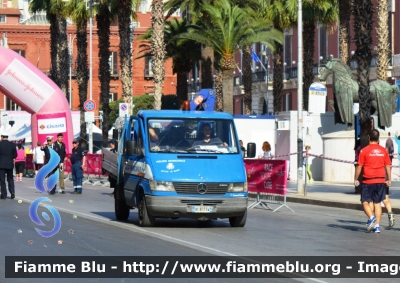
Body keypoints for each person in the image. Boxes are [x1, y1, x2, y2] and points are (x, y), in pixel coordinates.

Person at [354, 129, 391, 233]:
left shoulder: (364, 150)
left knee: (364, 202)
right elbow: (387, 166)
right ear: (378, 139)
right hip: (380, 180)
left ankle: (372, 218)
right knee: (377, 203)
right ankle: (377, 226)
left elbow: (359, 166)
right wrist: (389, 179)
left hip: (368, 180)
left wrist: (356, 178)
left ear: (369, 138)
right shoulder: (384, 150)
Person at [0, 132, 17, 199]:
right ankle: (12, 191)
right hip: (10, 164)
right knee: (10, 178)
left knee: (2, 180)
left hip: (1, 165)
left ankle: (4, 195)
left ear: (2, 137)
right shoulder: (12, 145)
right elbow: (15, 155)